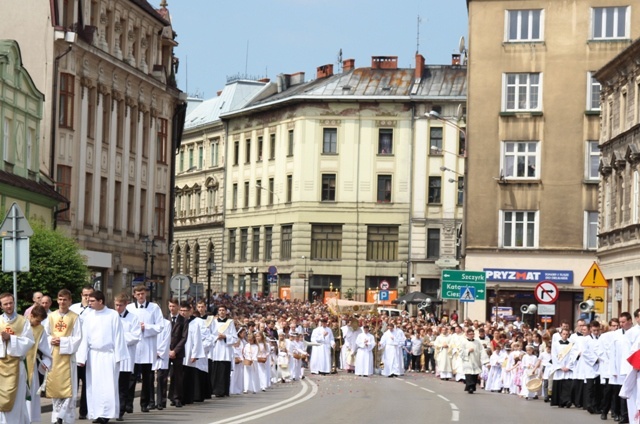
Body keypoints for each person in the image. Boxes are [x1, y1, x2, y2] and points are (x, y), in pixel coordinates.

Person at [76, 290, 128, 424]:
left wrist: (119, 356)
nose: (89, 303)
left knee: (108, 385)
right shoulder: (88, 316)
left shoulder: (112, 315)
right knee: (94, 385)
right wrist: (81, 358)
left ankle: (106, 413)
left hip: (108, 355)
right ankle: (96, 412)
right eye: (89, 301)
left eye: (92, 301)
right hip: (93, 355)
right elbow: (84, 338)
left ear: (101, 301)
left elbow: (118, 336)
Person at [45, 289, 82, 424]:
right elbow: (46, 334)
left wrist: (63, 341)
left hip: (68, 358)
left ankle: (65, 418)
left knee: (69, 389)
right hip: (54, 356)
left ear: (70, 301)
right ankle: (56, 418)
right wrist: (50, 340)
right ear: (57, 300)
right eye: (60, 299)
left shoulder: (75, 317)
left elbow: (78, 338)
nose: (62, 302)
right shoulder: (51, 316)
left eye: (65, 299)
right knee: (55, 388)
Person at [125, 284, 164, 413]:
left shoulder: (154, 308)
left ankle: (145, 403)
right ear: (134, 295)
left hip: (148, 347)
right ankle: (128, 404)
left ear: (146, 294)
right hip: (134, 348)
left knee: (148, 378)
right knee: (131, 378)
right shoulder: (129, 308)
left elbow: (160, 326)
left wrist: (146, 327)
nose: (140, 296)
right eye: (138, 294)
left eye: (142, 294)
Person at [0, 292, 35, 424]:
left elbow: (29, 341)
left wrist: (11, 339)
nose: (9, 306)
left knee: (16, 400)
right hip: (1, 366)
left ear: (14, 303)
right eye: (5, 304)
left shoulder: (23, 321)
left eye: (11, 303)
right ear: (1, 306)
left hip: (17, 367)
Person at [114, 293, 141, 421]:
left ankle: (121, 410)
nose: (118, 308)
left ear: (125, 305)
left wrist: (119, 338)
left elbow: (135, 336)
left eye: (120, 305)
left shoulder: (133, 318)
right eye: (116, 305)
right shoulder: (112, 317)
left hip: (126, 357)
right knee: (112, 385)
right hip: (113, 357)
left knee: (123, 386)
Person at [69, 285, 94, 420]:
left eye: (90, 295)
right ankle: (70, 410)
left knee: (86, 384)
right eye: (85, 295)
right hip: (74, 351)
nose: (87, 297)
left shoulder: (95, 310)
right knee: (73, 383)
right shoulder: (73, 308)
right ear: (81, 295)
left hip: (88, 353)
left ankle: (83, 411)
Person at [25, 305, 52, 423]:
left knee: (30, 397)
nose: (38, 323)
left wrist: (46, 362)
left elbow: (46, 350)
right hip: (14, 366)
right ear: (31, 315)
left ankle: (30, 420)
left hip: (31, 367)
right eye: (37, 320)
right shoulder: (20, 324)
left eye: (41, 321)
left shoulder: (40, 329)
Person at [208, 305, 238, 397]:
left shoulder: (230, 322)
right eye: (220, 310)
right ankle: (215, 390)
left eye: (223, 310)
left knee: (224, 370)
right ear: (217, 312)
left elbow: (234, 337)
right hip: (216, 349)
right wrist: (217, 337)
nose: (221, 312)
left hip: (225, 349)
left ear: (226, 312)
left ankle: (224, 390)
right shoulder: (213, 322)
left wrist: (225, 337)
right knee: (215, 370)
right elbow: (209, 334)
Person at [180, 301, 205, 404]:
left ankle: (187, 397)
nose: (182, 313)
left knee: (188, 376)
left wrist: (195, 354)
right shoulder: (178, 321)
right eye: (181, 310)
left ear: (190, 311)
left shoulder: (196, 323)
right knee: (178, 376)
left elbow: (197, 339)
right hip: (178, 352)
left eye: (185, 311)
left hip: (189, 353)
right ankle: (177, 397)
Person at [460, 327, 488, 394]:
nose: (472, 335)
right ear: (467, 335)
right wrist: (468, 351)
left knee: (475, 374)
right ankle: (469, 387)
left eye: (473, 334)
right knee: (469, 374)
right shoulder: (464, 342)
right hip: (468, 361)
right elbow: (461, 352)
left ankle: (473, 387)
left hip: (475, 360)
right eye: (470, 334)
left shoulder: (477, 342)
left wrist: (485, 361)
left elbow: (482, 351)